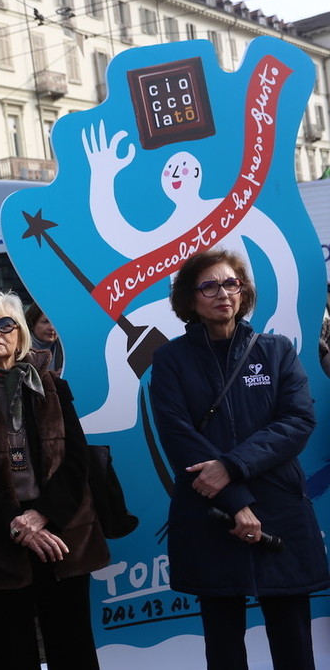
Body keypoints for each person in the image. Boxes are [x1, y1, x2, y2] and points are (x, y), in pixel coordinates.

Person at [150, 248, 329, 670]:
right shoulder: (170, 359)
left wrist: (232, 466)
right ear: (190, 298)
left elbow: (298, 421)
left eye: (231, 283)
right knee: (223, 643)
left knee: (293, 639)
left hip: (278, 509)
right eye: (209, 286)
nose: (223, 294)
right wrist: (236, 503)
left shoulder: (276, 350)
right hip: (211, 512)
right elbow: (177, 435)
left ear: (244, 291)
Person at [0, 291, 109, 669]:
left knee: (72, 645)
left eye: (5, 324)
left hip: (59, 530)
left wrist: (41, 516)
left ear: (20, 334)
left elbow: (76, 459)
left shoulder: (51, 385)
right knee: (8, 650)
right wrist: (15, 524)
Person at [25, 302, 65, 372]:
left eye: (55, 323)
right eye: (45, 322)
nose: (52, 327)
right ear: (32, 323)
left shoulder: (65, 349)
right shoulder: (20, 349)